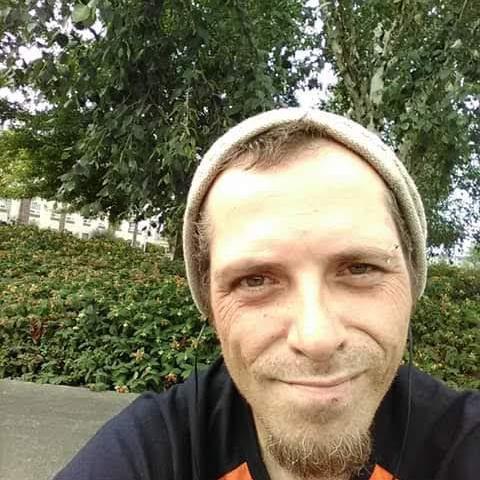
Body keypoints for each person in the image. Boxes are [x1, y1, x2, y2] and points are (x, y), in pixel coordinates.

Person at [54, 109, 480, 480]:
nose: (316, 338)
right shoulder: (156, 450)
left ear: (411, 283)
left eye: (360, 268)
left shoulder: (464, 445)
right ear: (210, 305)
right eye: (255, 280)